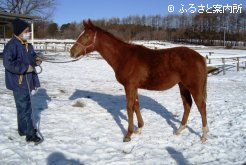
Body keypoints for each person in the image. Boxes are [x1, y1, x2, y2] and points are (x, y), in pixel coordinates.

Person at [3, 18, 43, 144]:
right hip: (18, 82)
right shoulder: (11, 46)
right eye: (26, 31)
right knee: (25, 108)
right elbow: (8, 63)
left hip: (28, 81)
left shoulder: (27, 45)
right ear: (19, 32)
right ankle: (31, 135)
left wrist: (36, 59)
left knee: (23, 108)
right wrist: (26, 68)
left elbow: (32, 55)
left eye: (28, 31)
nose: (28, 33)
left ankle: (23, 129)